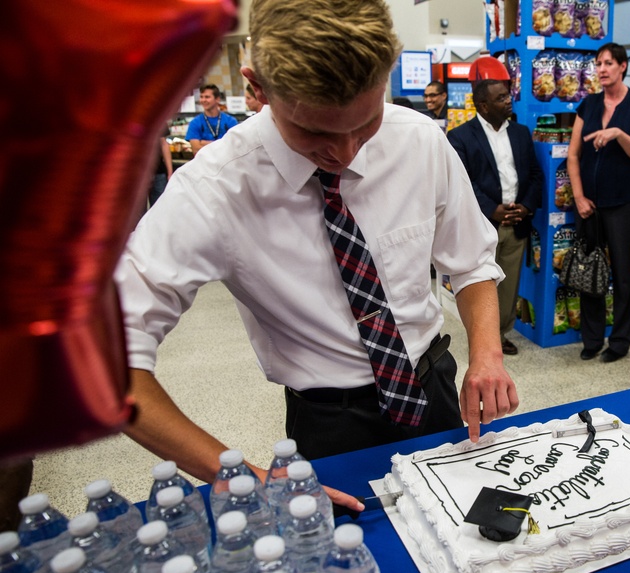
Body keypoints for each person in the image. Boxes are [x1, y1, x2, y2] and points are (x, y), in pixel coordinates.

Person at [114, 0, 518, 513]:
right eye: (317, 134)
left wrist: (486, 354)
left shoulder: (418, 140)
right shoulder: (214, 189)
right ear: (256, 87)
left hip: (432, 384)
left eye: (366, 123)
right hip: (330, 419)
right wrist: (240, 477)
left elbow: (470, 261)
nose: (347, 152)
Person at [567, 43, 630, 363]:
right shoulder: (587, 105)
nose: (602, 69)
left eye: (608, 63)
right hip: (588, 204)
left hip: (623, 203)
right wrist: (578, 196)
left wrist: (619, 133)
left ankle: (619, 341)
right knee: (589, 269)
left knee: (623, 273)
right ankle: (591, 339)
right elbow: (573, 154)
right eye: (598, 64)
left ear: (622, 66)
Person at [448, 77, 543, 356]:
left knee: (508, 285)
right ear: (484, 106)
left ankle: (500, 335)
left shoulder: (522, 133)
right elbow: (463, 182)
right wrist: (492, 208)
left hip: (516, 222)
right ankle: (482, 339)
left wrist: (525, 206)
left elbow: (535, 176)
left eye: (507, 94)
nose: (508, 100)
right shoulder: (460, 136)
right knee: (480, 284)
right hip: (482, 223)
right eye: (501, 98)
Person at [185, 84, 238, 154]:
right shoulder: (195, 123)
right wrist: (223, 143)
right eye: (201, 97)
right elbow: (196, 149)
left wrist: (203, 142)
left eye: (207, 97)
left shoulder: (230, 121)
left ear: (217, 99)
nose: (203, 100)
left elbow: (234, 146)